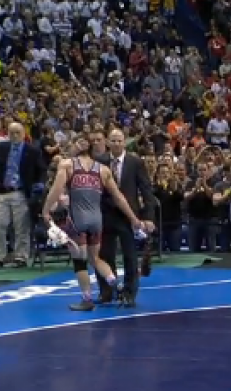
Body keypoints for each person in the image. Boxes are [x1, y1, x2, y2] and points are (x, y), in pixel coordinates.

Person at [41, 136, 153, 311]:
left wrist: (46, 211)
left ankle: (87, 300)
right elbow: (119, 198)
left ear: (76, 149)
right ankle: (118, 286)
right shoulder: (103, 169)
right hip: (96, 221)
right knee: (96, 259)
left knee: (80, 261)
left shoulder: (67, 165)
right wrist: (133, 218)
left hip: (77, 220)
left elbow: (55, 191)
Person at [94, 129, 156, 307]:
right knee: (104, 255)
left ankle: (129, 293)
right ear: (108, 142)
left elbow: (146, 189)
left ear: (124, 142)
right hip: (105, 214)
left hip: (129, 216)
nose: (116, 144)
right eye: (112, 141)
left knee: (130, 255)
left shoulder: (135, 162)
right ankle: (106, 292)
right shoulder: (100, 162)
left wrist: (148, 217)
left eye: (119, 141)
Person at [0, 122, 46, 268]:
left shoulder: (32, 151)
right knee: (0, 225)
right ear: (7, 133)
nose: (14, 135)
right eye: (11, 132)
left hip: (20, 191)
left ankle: (21, 256)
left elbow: (42, 170)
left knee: (21, 226)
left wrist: (39, 185)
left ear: (23, 134)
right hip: (2, 192)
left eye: (17, 133)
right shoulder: (2, 148)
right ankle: (1, 256)